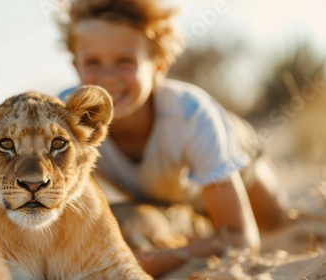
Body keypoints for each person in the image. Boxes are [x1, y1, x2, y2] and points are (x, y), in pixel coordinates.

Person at [58, 0, 290, 276]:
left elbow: (243, 238)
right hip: (166, 198)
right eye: (93, 61)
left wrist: (159, 260)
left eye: (125, 61)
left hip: (238, 158)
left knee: (276, 221)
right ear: (76, 65)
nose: (107, 77)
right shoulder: (64, 121)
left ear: (159, 65)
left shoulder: (192, 116)